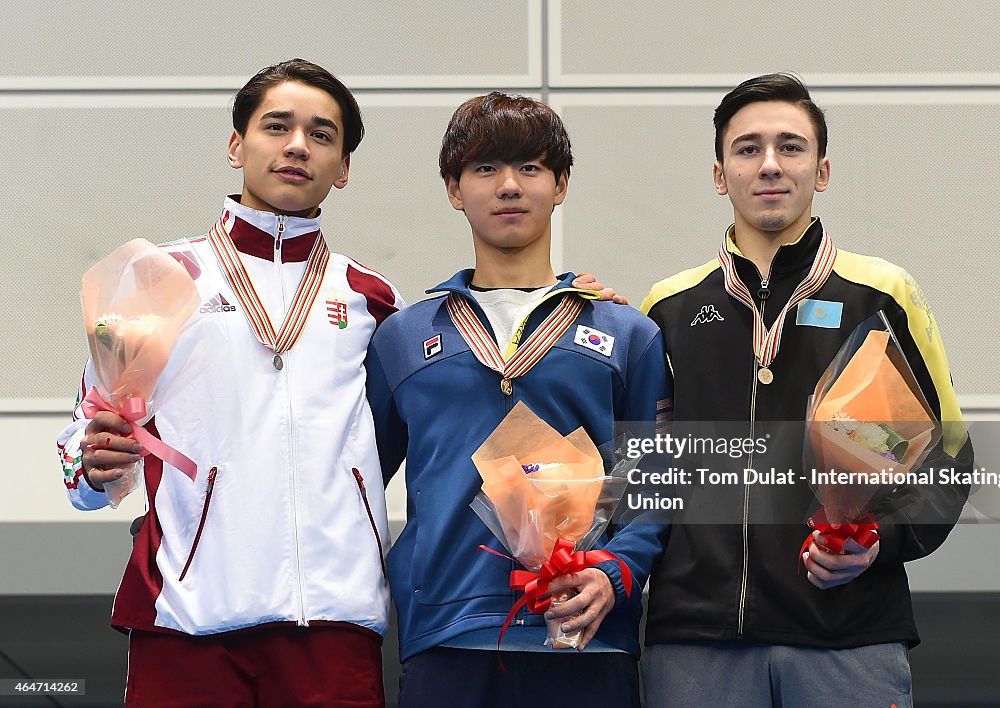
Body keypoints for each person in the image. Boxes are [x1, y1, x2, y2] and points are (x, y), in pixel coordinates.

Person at [56, 58, 402, 706]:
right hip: (187, 617)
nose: (298, 145)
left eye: (323, 135)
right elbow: (82, 442)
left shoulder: (371, 298)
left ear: (345, 168)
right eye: (278, 126)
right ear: (237, 144)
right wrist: (94, 465)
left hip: (333, 622)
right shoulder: (160, 278)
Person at [639, 73, 973, 707]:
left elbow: (950, 456)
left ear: (822, 170)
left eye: (790, 147)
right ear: (719, 174)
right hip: (695, 644)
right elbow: (644, 471)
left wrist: (877, 543)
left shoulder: (881, 294)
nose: (769, 164)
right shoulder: (668, 306)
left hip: (848, 639)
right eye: (747, 148)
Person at [365, 92, 672, 707]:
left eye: (530, 168)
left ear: (561, 185)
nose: (509, 185)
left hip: (586, 629)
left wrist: (615, 572)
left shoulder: (625, 332)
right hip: (447, 634)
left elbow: (658, 477)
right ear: (454, 189)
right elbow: (357, 478)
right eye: (484, 169)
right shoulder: (402, 337)